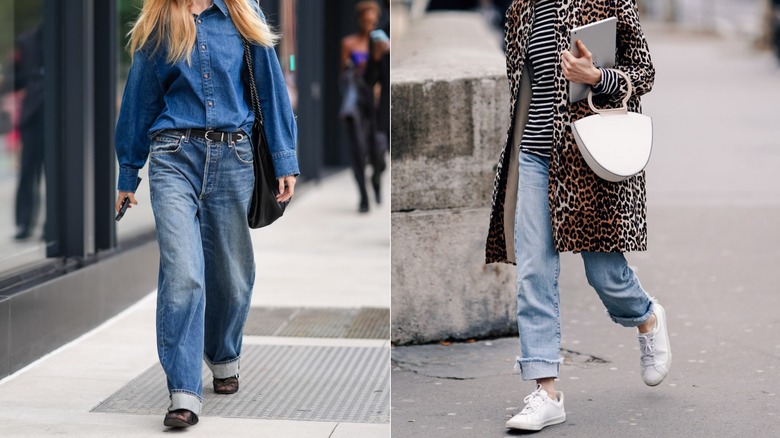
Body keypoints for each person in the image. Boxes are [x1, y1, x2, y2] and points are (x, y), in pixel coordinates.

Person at [485, 0, 670, 431]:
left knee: (605, 275)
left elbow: (644, 72)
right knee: (533, 271)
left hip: (587, 156)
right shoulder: (521, 9)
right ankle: (545, 392)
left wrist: (598, 78)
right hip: (533, 157)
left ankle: (646, 316)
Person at [115, 0, 297, 428]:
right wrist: (128, 172)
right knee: (183, 274)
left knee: (232, 277)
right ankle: (183, 391)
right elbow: (140, 97)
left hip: (234, 157)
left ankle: (223, 355)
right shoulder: (160, 20)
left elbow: (270, 87)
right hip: (173, 156)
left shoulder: (242, 12)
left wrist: (284, 158)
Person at [340, 1, 384, 213]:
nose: (369, 25)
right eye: (366, 21)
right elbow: (342, 76)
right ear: (359, 20)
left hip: (376, 103)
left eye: (372, 21)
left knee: (379, 151)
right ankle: (364, 198)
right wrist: (355, 69)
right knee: (358, 151)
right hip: (357, 102)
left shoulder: (382, 43)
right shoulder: (349, 43)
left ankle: (376, 180)